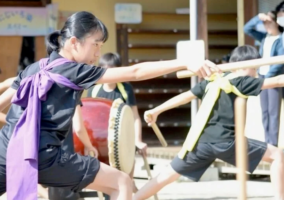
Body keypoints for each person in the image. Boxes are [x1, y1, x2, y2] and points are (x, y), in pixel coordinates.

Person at [0, 11, 219, 200]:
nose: (97, 53)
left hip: (5, 150)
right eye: (95, 45)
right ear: (74, 42)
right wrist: (185, 62)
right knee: (121, 182)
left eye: (101, 46)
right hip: (44, 155)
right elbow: (135, 72)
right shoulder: (76, 71)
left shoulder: (34, 67)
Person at [133, 45, 284, 200]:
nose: (255, 72)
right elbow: (278, 80)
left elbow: (185, 96)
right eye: (254, 67)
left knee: (166, 175)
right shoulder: (242, 82)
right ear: (244, 66)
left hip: (201, 144)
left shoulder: (212, 82)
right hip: (227, 142)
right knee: (277, 155)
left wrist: (156, 110)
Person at [0, 77, 97, 200]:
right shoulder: (69, 90)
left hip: (30, 149)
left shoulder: (31, 86)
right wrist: (89, 146)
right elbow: (78, 128)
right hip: (59, 156)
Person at [87, 52, 146, 193]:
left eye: (112, 70)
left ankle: (132, 188)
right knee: (111, 182)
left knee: (127, 173)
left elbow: (135, 117)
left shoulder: (125, 89)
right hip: (102, 139)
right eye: (105, 70)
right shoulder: (94, 90)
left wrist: (138, 140)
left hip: (123, 137)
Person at [244, 11, 284, 147]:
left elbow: (280, 62)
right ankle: (267, 142)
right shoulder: (264, 37)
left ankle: (273, 143)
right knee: (265, 112)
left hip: (273, 79)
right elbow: (246, 29)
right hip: (262, 77)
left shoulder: (281, 38)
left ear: (276, 22)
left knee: (274, 112)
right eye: (265, 23)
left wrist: (268, 76)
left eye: (269, 22)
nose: (266, 25)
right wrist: (258, 18)